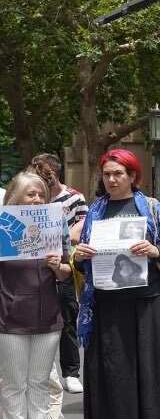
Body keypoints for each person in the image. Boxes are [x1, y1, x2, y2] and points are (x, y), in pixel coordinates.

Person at [73, 149, 160, 419]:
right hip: (107, 304)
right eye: (107, 174)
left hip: (148, 301)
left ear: (133, 177)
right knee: (112, 375)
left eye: (118, 174)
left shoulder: (151, 207)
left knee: (154, 372)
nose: (111, 180)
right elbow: (82, 261)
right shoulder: (94, 212)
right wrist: (79, 255)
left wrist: (155, 250)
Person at [0, 172, 70, 419]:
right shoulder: (3, 227)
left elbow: (67, 274)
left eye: (41, 194)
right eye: (30, 194)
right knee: (15, 385)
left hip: (47, 316)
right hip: (10, 316)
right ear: (14, 198)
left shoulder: (53, 226)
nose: (38, 199)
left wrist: (58, 267)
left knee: (40, 384)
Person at [31, 154, 86, 402]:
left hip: (63, 263)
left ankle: (71, 372)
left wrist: (66, 232)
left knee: (67, 316)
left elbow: (81, 226)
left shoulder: (74, 197)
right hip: (33, 268)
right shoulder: (29, 200)